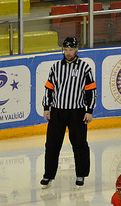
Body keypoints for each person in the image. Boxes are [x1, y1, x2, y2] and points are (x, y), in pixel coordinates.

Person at [40, 36, 97, 189]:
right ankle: (48, 175)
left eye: (71, 50)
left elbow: (91, 91)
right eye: (66, 50)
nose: (68, 53)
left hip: (77, 112)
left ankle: (81, 174)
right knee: (52, 144)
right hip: (57, 111)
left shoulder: (85, 68)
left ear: (76, 50)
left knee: (79, 144)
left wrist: (89, 110)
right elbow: (49, 89)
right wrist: (46, 107)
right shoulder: (56, 67)